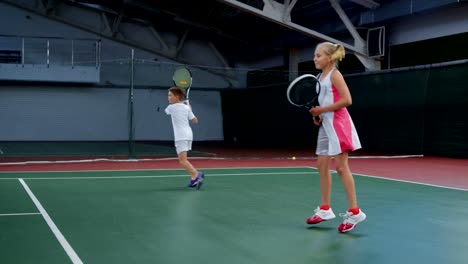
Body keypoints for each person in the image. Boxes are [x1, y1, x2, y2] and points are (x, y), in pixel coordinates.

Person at [307, 42, 366, 233]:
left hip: (339, 125)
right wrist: (319, 116)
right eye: (315, 55)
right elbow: (324, 101)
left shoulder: (335, 74)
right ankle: (325, 209)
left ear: (329, 58)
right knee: (321, 166)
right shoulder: (319, 77)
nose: (314, 58)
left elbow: (347, 100)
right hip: (325, 125)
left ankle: (355, 212)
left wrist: (322, 110)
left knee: (341, 167)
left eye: (318, 55)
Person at [165, 86, 204, 189]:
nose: (168, 98)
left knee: (182, 160)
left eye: (170, 95)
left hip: (181, 136)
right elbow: (195, 121)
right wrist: (188, 108)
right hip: (188, 135)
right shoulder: (186, 107)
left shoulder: (171, 108)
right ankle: (193, 179)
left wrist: (183, 105)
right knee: (184, 159)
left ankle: (197, 174)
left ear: (177, 96)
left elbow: (166, 111)